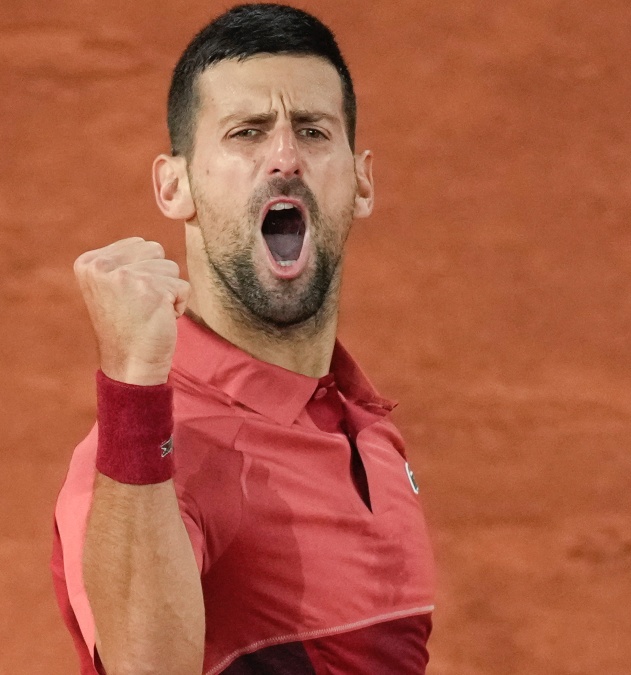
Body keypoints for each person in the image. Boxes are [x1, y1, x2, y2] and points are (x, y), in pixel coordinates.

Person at [51, 4, 435, 673]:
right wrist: (133, 390)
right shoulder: (151, 458)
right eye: (247, 133)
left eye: (313, 131)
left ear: (362, 180)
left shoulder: (365, 428)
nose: (284, 156)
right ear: (176, 186)